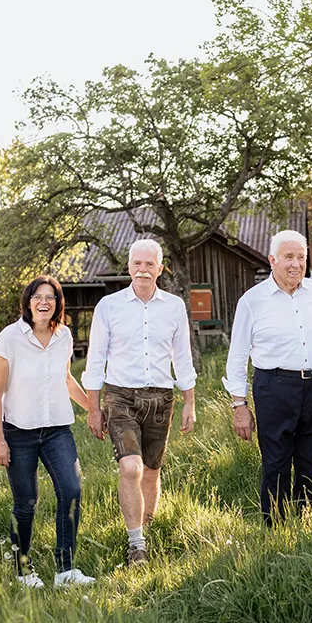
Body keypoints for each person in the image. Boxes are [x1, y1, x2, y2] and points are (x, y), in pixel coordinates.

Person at [83, 238, 196, 566]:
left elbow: (183, 357)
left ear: (160, 268)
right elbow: (95, 359)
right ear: (129, 266)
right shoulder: (109, 306)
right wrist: (93, 408)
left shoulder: (174, 307)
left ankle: (144, 534)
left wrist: (189, 402)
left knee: (150, 471)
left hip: (161, 397)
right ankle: (136, 546)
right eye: (137, 263)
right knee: (129, 467)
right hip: (120, 396)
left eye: (150, 264)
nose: (143, 269)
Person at [224, 229, 312, 522]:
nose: (296, 264)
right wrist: (239, 405)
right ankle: (275, 525)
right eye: (289, 257)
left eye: (301, 257)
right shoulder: (252, 300)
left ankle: (305, 520)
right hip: (275, 388)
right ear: (272, 260)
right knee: (276, 462)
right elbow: (237, 356)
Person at [0, 275, 95, 589]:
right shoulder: (9, 338)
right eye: (37, 297)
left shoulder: (63, 336)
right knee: (26, 503)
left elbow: (65, 378)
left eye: (50, 297)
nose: (43, 302)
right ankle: (24, 571)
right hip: (18, 432)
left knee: (72, 491)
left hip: (57, 429)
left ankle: (66, 571)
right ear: (28, 301)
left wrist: (93, 408)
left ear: (58, 303)